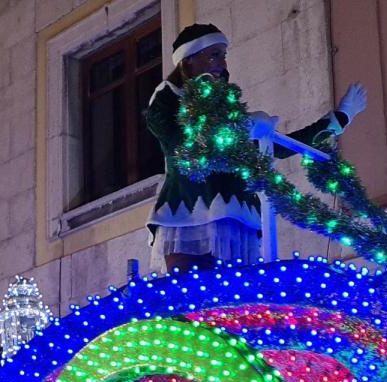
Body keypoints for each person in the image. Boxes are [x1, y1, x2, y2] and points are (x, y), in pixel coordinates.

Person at [145, 23, 368, 273]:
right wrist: (244, 126)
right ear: (188, 61)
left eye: (224, 56)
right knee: (190, 301)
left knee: (232, 305)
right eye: (214, 55)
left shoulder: (227, 107)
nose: (223, 64)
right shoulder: (167, 97)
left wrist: (338, 120)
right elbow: (185, 147)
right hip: (187, 209)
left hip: (236, 215)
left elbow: (275, 148)